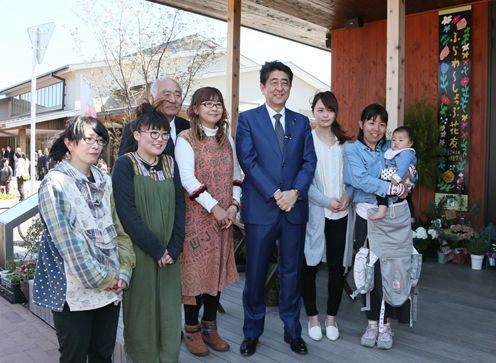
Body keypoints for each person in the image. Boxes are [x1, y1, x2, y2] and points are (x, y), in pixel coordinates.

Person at [32, 115, 135, 363]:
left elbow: (120, 230)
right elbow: (68, 245)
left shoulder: (104, 180)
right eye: (88, 139)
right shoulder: (55, 183)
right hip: (74, 290)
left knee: (102, 354)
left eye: (100, 140)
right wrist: (107, 279)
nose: (96, 145)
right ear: (70, 143)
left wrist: (123, 271)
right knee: (74, 356)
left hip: (111, 286)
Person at [236, 61, 317, 356]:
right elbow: (248, 160)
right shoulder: (247, 120)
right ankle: (252, 332)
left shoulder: (300, 122)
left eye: (285, 82)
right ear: (263, 87)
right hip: (261, 209)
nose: (279, 87)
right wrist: (275, 193)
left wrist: (294, 192)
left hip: (293, 209)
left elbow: (309, 162)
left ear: (290, 87)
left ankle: (292, 332)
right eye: (274, 82)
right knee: (256, 274)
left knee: (291, 272)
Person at [112, 102, 185, 363]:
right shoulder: (124, 165)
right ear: (136, 134)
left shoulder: (171, 164)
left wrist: (174, 249)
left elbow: (180, 208)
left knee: (168, 312)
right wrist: (157, 250)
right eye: (153, 133)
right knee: (141, 313)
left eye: (164, 134)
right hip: (140, 253)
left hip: (169, 257)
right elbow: (127, 214)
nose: (160, 139)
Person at [175, 87, 241, 357]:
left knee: (215, 275)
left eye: (218, 104)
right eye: (207, 104)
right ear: (195, 109)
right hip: (197, 220)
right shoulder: (186, 139)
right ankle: (191, 329)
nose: (214, 108)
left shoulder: (228, 138)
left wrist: (235, 206)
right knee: (194, 277)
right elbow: (187, 179)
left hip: (224, 220)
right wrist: (215, 208)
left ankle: (210, 327)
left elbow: (238, 175)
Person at [343, 104, 412, 350]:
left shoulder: (390, 147)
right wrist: (391, 187)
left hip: (392, 218)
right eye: (371, 123)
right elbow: (358, 179)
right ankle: (372, 322)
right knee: (369, 269)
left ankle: (386, 325)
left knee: (392, 269)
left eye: (382, 124)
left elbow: (408, 170)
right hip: (367, 217)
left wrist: (407, 181)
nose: (377, 128)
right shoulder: (352, 150)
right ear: (361, 124)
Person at [300, 91, 351, 342]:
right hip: (315, 212)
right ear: (314, 112)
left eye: (329, 110)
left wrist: (347, 197)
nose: (325, 114)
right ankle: (312, 317)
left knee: (336, 267)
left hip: (341, 213)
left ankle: (331, 317)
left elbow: (352, 178)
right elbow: (304, 181)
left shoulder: (345, 143)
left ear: (335, 112)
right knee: (309, 264)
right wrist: (326, 200)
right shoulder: (306, 140)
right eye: (320, 110)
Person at [118, 77, 189, 157]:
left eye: (177, 95)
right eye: (167, 94)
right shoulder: (135, 127)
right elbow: (125, 164)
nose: (173, 100)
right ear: (151, 99)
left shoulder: (188, 127)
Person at [369, 126, 416, 220]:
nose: (396, 143)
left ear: (410, 143)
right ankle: (411, 216)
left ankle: (382, 210)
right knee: (404, 196)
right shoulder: (394, 151)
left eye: (400, 140)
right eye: (393, 140)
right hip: (395, 176)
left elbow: (403, 166)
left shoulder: (405, 153)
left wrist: (397, 177)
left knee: (382, 190)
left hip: (397, 177)